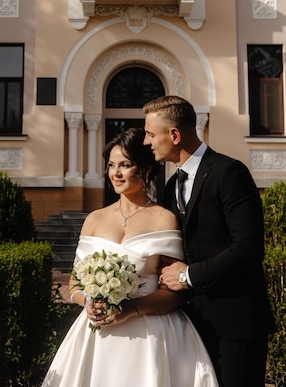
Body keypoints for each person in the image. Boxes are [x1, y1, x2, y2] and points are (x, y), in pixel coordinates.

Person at [41, 127, 219, 387]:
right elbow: (75, 283)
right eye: (112, 165)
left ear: (146, 169)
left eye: (125, 165)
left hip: (152, 336)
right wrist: (88, 301)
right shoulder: (94, 219)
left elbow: (176, 291)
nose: (116, 173)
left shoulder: (163, 219)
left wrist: (130, 309)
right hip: (98, 337)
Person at [143, 95, 276, 387]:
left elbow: (248, 247)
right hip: (191, 323)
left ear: (174, 135)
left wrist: (188, 275)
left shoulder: (229, 173)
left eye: (151, 134)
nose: (146, 141)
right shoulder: (169, 187)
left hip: (236, 323)